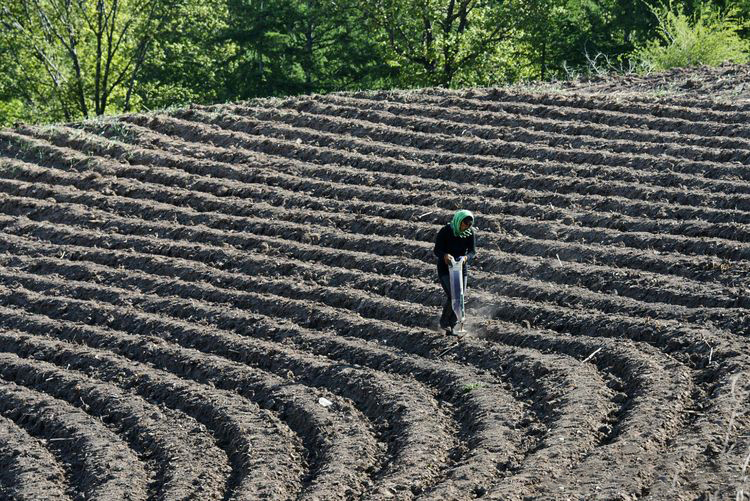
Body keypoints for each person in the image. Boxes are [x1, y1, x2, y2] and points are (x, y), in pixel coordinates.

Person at [433, 209, 476, 335]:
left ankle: (452, 326)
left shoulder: (469, 233)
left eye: (469, 225)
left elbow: (472, 251)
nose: (466, 227)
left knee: (460, 296)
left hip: (460, 268)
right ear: (458, 221)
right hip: (445, 268)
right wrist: (445, 255)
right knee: (453, 295)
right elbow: (437, 250)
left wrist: (466, 257)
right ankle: (444, 322)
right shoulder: (445, 231)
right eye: (464, 224)